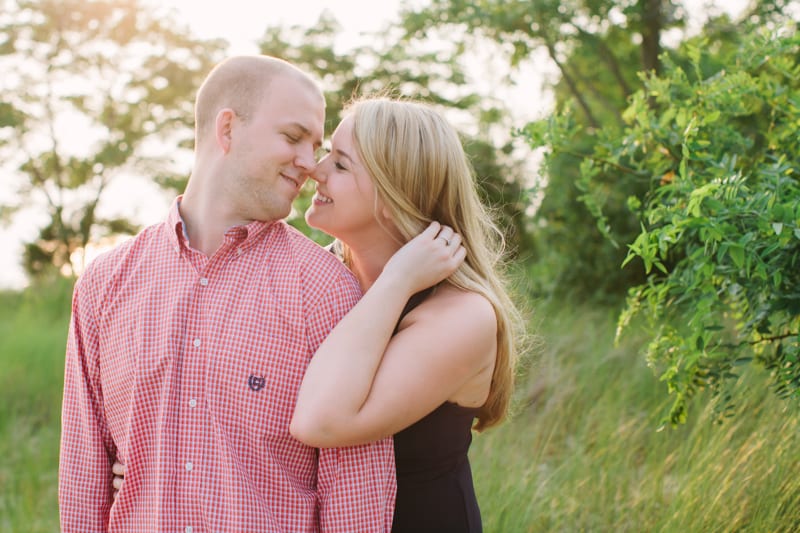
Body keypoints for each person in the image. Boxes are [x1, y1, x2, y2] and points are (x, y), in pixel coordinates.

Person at [58, 56, 398, 532]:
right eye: (293, 137)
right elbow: (84, 475)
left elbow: (355, 487)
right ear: (227, 129)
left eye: (316, 145)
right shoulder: (103, 284)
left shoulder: (324, 289)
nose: (310, 163)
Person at [291, 97, 524, 531]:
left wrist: (397, 280)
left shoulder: (463, 316)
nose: (315, 170)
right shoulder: (311, 277)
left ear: (392, 193)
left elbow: (320, 421)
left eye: (340, 165)